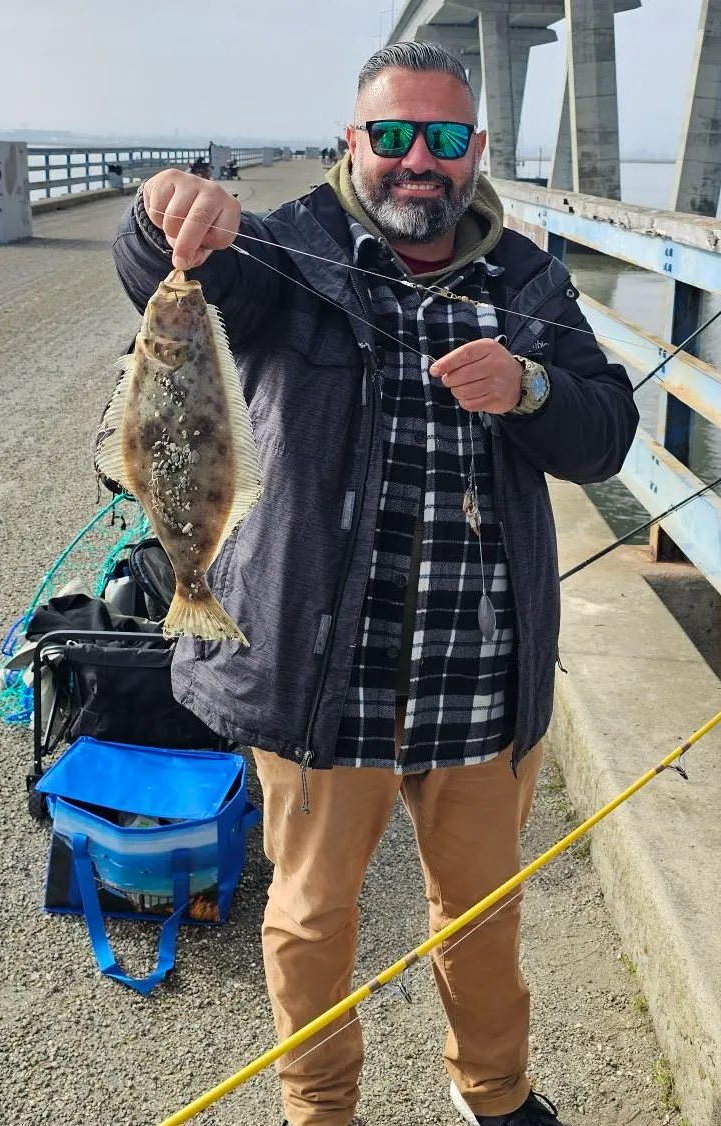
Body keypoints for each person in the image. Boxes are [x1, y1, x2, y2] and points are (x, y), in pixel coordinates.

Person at [112, 40, 638, 1126]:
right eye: (391, 135)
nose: (416, 161)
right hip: (317, 670)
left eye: (443, 139)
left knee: (482, 913)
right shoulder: (285, 251)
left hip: (479, 669)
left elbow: (607, 431)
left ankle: (491, 1094)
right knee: (309, 917)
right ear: (352, 142)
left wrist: (530, 386)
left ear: (475, 152)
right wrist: (167, 216)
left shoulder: (528, 281)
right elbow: (175, 275)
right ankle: (320, 1108)